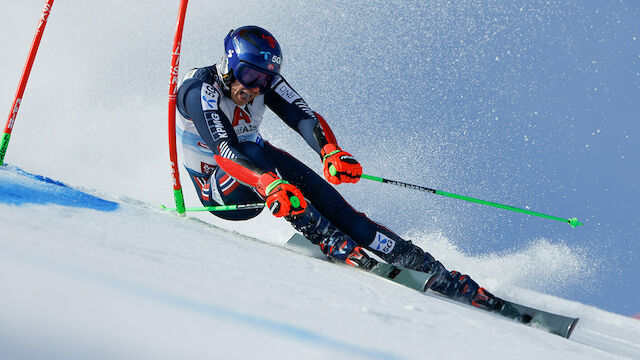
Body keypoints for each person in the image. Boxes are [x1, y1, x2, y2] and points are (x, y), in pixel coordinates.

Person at [176, 25, 501, 310]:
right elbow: (225, 150)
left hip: (261, 170)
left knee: (341, 211)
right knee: (253, 151)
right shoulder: (199, 89)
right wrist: (268, 184)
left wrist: (330, 152)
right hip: (220, 189)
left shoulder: (263, 84)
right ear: (228, 64)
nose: (256, 88)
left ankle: (431, 270)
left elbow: (304, 117)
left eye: (265, 80)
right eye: (250, 77)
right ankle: (327, 238)